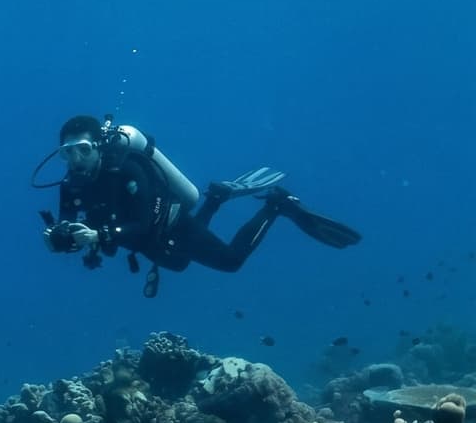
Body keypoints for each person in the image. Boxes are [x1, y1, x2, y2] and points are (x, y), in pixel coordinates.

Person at [35, 114, 359, 297]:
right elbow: (68, 223)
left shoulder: (129, 170)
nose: (76, 160)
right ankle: (215, 199)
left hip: (168, 223)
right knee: (179, 264)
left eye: (83, 150)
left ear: (99, 147)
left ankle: (277, 205)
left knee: (230, 261)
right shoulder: (70, 184)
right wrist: (58, 237)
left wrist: (99, 235)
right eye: (68, 152)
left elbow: (143, 224)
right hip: (146, 241)